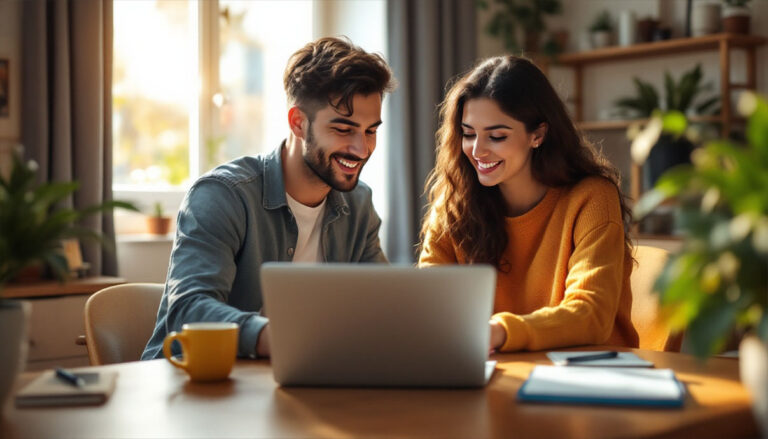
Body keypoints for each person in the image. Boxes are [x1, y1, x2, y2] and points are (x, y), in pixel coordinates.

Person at [142, 37, 396, 360]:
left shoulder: (358, 206)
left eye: (370, 131)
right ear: (298, 123)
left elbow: (386, 306)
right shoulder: (223, 197)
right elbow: (188, 310)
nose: (362, 150)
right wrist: (274, 337)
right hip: (191, 387)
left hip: (288, 387)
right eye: (344, 130)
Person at [418, 56, 639, 352]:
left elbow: (591, 315)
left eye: (496, 136)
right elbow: (430, 299)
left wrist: (499, 331)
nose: (477, 151)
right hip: (501, 369)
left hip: (588, 374)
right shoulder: (455, 203)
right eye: (468, 134)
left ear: (538, 134)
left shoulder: (592, 198)